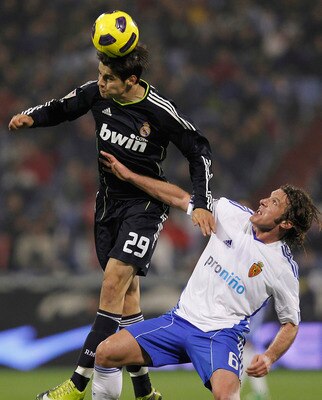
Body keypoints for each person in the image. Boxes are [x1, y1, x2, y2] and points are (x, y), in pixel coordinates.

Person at [8, 45, 215, 400]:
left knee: (112, 284)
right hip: (107, 209)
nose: (99, 82)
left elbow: (199, 150)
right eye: (100, 75)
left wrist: (202, 203)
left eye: (107, 78)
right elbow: (61, 108)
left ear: (130, 80)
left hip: (145, 206)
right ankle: (145, 391)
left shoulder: (159, 111)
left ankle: (74, 387)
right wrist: (31, 117)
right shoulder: (96, 94)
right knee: (127, 298)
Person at [91, 151, 320, 400]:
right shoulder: (230, 213)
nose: (264, 200)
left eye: (274, 202)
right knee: (105, 353)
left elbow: (291, 324)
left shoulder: (282, 267)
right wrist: (130, 176)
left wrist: (269, 357)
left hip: (221, 336)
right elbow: (179, 197)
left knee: (226, 396)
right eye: (269, 196)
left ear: (285, 224)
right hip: (178, 322)